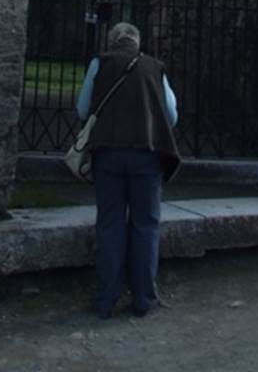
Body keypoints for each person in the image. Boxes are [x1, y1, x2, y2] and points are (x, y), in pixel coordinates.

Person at [76, 21, 180, 318]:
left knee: (110, 224)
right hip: (146, 156)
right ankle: (144, 298)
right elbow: (171, 115)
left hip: (108, 155)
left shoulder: (100, 64)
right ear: (137, 42)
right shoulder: (154, 67)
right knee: (146, 225)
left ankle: (106, 298)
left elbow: (83, 109)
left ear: (113, 41)